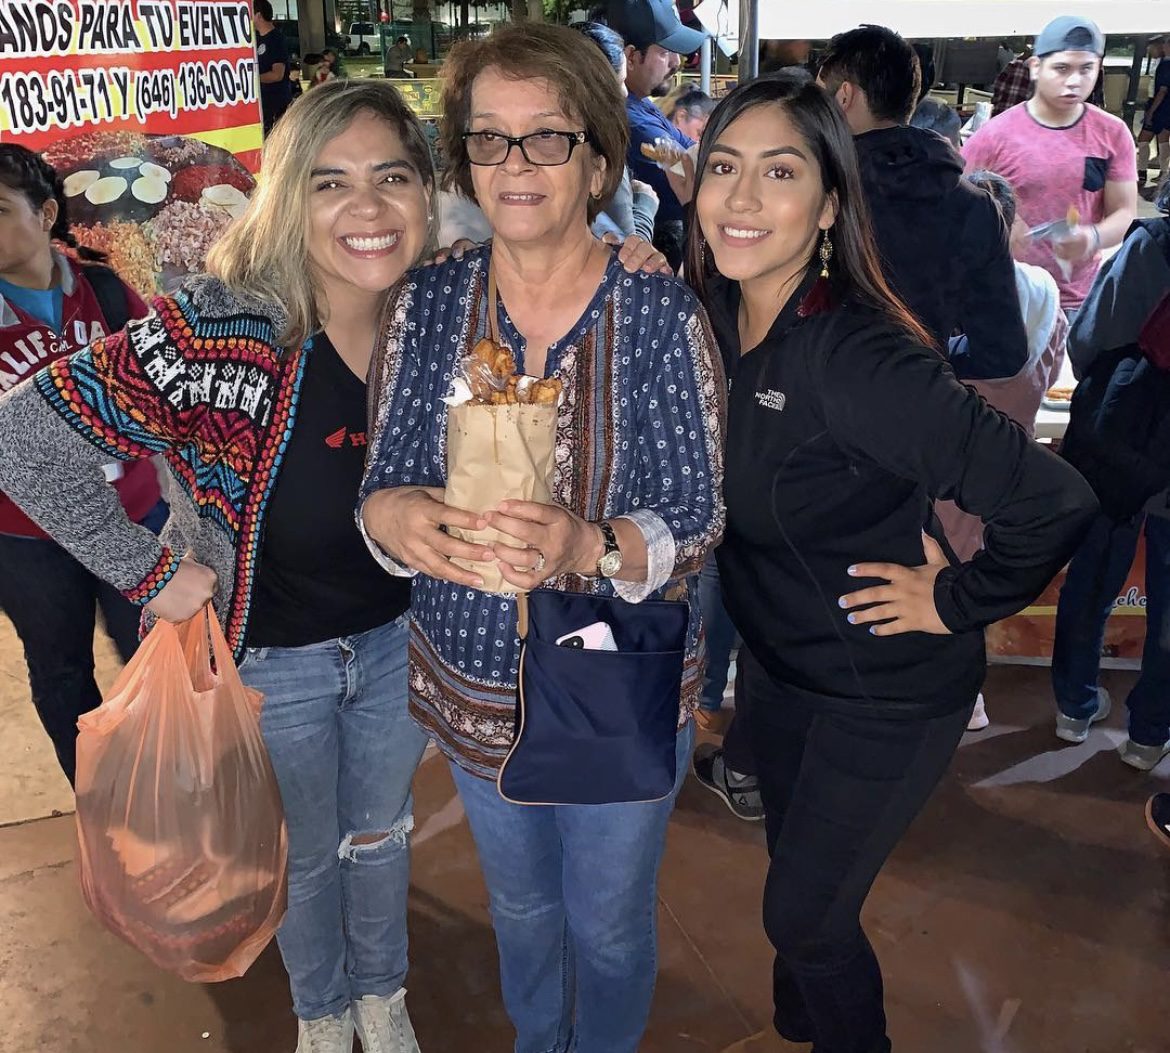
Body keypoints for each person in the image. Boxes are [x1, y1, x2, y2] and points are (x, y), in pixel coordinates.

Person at [0, 81, 442, 1053]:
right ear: (288, 197)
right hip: (272, 659)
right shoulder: (223, 326)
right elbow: (23, 437)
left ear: (426, 192)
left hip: (398, 643)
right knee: (305, 855)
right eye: (331, 182)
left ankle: (384, 996)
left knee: (381, 836)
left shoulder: (442, 316)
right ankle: (322, 1011)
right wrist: (147, 573)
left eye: (392, 177)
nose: (368, 207)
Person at [686, 73, 1097, 1053]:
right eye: (724, 168)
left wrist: (956, 599)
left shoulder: (856, 356)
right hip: (785, 668)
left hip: (885, 689)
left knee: (805, 916)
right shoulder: (720, 312)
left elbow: (1055, 502)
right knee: (797, 874)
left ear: (830, 204)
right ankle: (803, 1026)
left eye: (779, 172)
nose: (742, 197)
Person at [358, 24, 725, 1053]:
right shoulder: (430, 301)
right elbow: (383, 477)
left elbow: (699, 515)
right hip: (472, 681)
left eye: (547, 137)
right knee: (520, 909)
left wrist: (586, 545)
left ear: (599, 160)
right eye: (490, 138)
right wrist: (395, 518)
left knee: (606, 924)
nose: (515, 163)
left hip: (616, 686)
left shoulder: (656, 311)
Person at [0, 144, 165, 786]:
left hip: (135, 519)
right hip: (27, 541)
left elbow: (163, 385)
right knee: (61, 669)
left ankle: (176, 783)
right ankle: (100, 798)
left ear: (45, 215)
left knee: (159, 654)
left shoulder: (106, 292)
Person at [936, 169, 1070, 732]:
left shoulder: (943, 293)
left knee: (932, 576)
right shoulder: (1043, 291)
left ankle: (941, 696)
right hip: (1008, 464)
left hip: (944, 470)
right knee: (972, 580)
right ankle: (968, 697)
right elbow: (1053, 368)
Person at [818, 24, 1028, 379]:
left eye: (818, 97)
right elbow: (1003, 352)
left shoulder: (814, 192)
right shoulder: (975, 207)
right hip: (917, 400)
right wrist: (926, 360)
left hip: (809, 399)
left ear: (844, 96)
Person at [1050, 194, 1170, 771]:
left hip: (1122, 442)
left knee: (1094, 575)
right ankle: (1149, 733)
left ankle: (1074, 708)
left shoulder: (1154, 245)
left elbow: (1088, 338)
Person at [962, 16, 1139, 315]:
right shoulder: (994, 135)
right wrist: (999, 228)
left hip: (1078, 301)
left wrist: (1092, 237)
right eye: (1062, 68)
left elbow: (1124, 212)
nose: (1074, 81)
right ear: (1035, 67)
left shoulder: (1113, 133)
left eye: (1086, 69)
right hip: (1008, 298)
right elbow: (952, 204)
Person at [606, 0, 708, 270]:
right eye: (665, 52)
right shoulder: (633, 123)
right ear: (630, 57)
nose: (676, 62)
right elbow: (695, 172)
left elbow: (695, 152)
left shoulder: (643, 104)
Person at [576, 20, 660, 242]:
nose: (624, 92)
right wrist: (645, 205)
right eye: (620, 81)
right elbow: (625, 251)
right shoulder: (601, 149)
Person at [254, 0, 293, 135]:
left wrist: (253, 79)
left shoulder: (276, 39)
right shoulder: (255, 38)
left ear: (258, 15)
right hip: (262, 104)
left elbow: (277, 74)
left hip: (276, 104)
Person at [1137, 37, 1170, 197]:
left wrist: (1151, 111)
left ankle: (1145, 172)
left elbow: (1162, 90)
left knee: (1146, 140)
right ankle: (1162, 173)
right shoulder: (1162, 63)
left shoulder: (1166, 66)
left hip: (1161, 107)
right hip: (1163, 107)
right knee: (1162, 140)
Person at [992, 46, 1033, 115]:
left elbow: (998, 86)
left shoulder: (1014, 65)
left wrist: (996, 103)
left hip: (1002, 112)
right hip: (1022, 116)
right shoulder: (1043, 74)